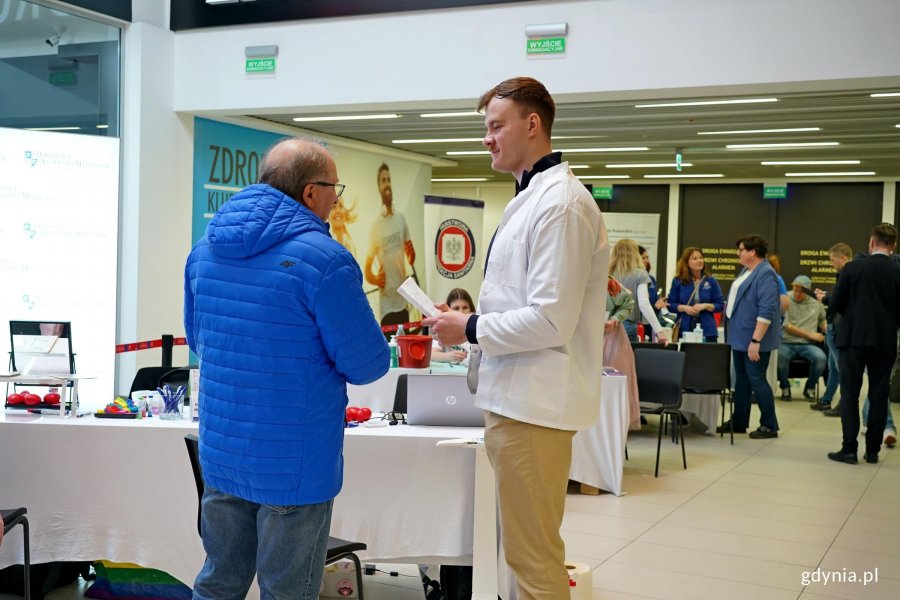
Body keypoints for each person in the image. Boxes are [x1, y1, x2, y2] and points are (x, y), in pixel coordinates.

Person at [423, 76, 609, 599]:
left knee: (533, 559)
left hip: (534, 406)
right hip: (517, 400)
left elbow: (551, 320)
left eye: (496, 126)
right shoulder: (532, 197)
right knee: (524, 552)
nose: (487, 138)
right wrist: (465, 323)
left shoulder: (562, 204)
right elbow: (519, 302)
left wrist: (472, 326)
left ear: (532, 124)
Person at [183, 138, 390, 599]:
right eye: (335, 188)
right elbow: (368, 364)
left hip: (223, 453)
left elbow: (200, 343)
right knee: (287, 591)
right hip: (292, 464)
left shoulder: (204, 251)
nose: (338, 199)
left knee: (218, 581)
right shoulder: (326, 260)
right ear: (311, 192)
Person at [827, 224, 900, 465]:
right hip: (884, 341)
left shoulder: (852, 268)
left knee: (850, 394)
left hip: (853, 339)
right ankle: (872, 451)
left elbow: (836, 302)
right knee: (879, 396)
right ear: (894, 246)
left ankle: (849, 449)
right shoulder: (897, 271)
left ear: (871, 243)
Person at [718, 234, 781, 439]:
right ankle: (739, 421)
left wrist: (756, 340)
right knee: (742, 379)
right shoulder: (747, 270)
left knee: (756, 379)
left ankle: (769, 424)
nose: (738, 253)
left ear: (752, 252)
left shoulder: (766, 274)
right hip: (739, 336)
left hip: (753, 338)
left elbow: (767, 309)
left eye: (742, 250)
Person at [364, 163, 416, 331]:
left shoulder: (401, 219)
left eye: (388, 180)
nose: (387, 184)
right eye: (383, 181)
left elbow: (411, 256)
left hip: (403, 301)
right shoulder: (376, 226)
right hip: (387, 306)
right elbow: (367, 270)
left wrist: (411, 254)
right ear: (379, 187)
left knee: (405, 352)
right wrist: (375, 279)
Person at [813, 243, 852, 412]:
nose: (831, 264)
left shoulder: (846, 274)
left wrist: (825, 299)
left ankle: (844, 403)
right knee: (834, 367)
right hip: (835, 325)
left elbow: (839, 301)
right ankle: (827, 399)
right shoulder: (849, 274)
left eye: (832, 260)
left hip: (838, 326)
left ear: (842, 258)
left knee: (841, 367)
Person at [777, 275, 827, 400]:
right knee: (780, 358)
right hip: (786, 342)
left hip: (807, 344)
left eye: (801, 291)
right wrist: (810, 334)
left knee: (821, 358)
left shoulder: (816, 302)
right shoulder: (785, 299)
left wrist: (826, 328)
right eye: (795, 290)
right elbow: (786, 325)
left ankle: (809, 387)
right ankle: (785, 387)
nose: (798, 294)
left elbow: (822, 319)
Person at [609, 239, 668, 344]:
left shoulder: (607, 273)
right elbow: (644, 304)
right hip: (627, 325)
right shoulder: (640, 274)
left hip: (606, 325)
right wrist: (660, 331)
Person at [604, 277, 641, 430]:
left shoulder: (609, 282)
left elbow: (627, 303)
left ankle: (613, 427)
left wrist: (615, 319)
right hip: (582, 336)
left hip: (610, 338)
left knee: (611, 384)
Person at [667, 247, 724, 343]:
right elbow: (670, 305)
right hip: (685, 328)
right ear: (686, 262)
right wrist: (685, 308)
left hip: (708, 330)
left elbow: (720, 305)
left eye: (701, 258)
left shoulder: (710, 281)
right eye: (694, 258)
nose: (699, 261)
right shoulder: (678, 281)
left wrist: (705, 306)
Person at [431, 288, 475, 364]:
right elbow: (431, 354)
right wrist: (448, 356)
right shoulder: (442, 328)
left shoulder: (478, 327)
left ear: (471, 309)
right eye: (456, 308)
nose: (461, 312)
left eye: (465, 308)